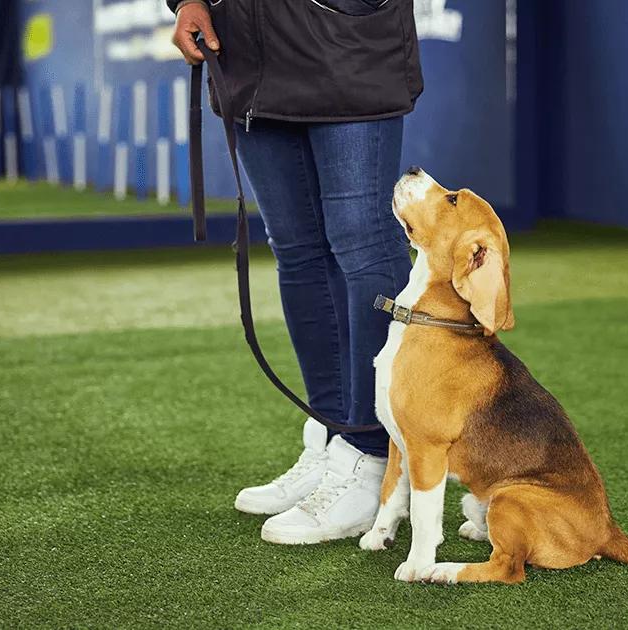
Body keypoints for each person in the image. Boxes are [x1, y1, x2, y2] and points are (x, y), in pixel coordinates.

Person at [168, 0, 423, 544]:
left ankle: (373, 453)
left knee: (365, 245)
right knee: (299, 249)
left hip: (346, 40)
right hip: (248, 54)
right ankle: (334, 439)